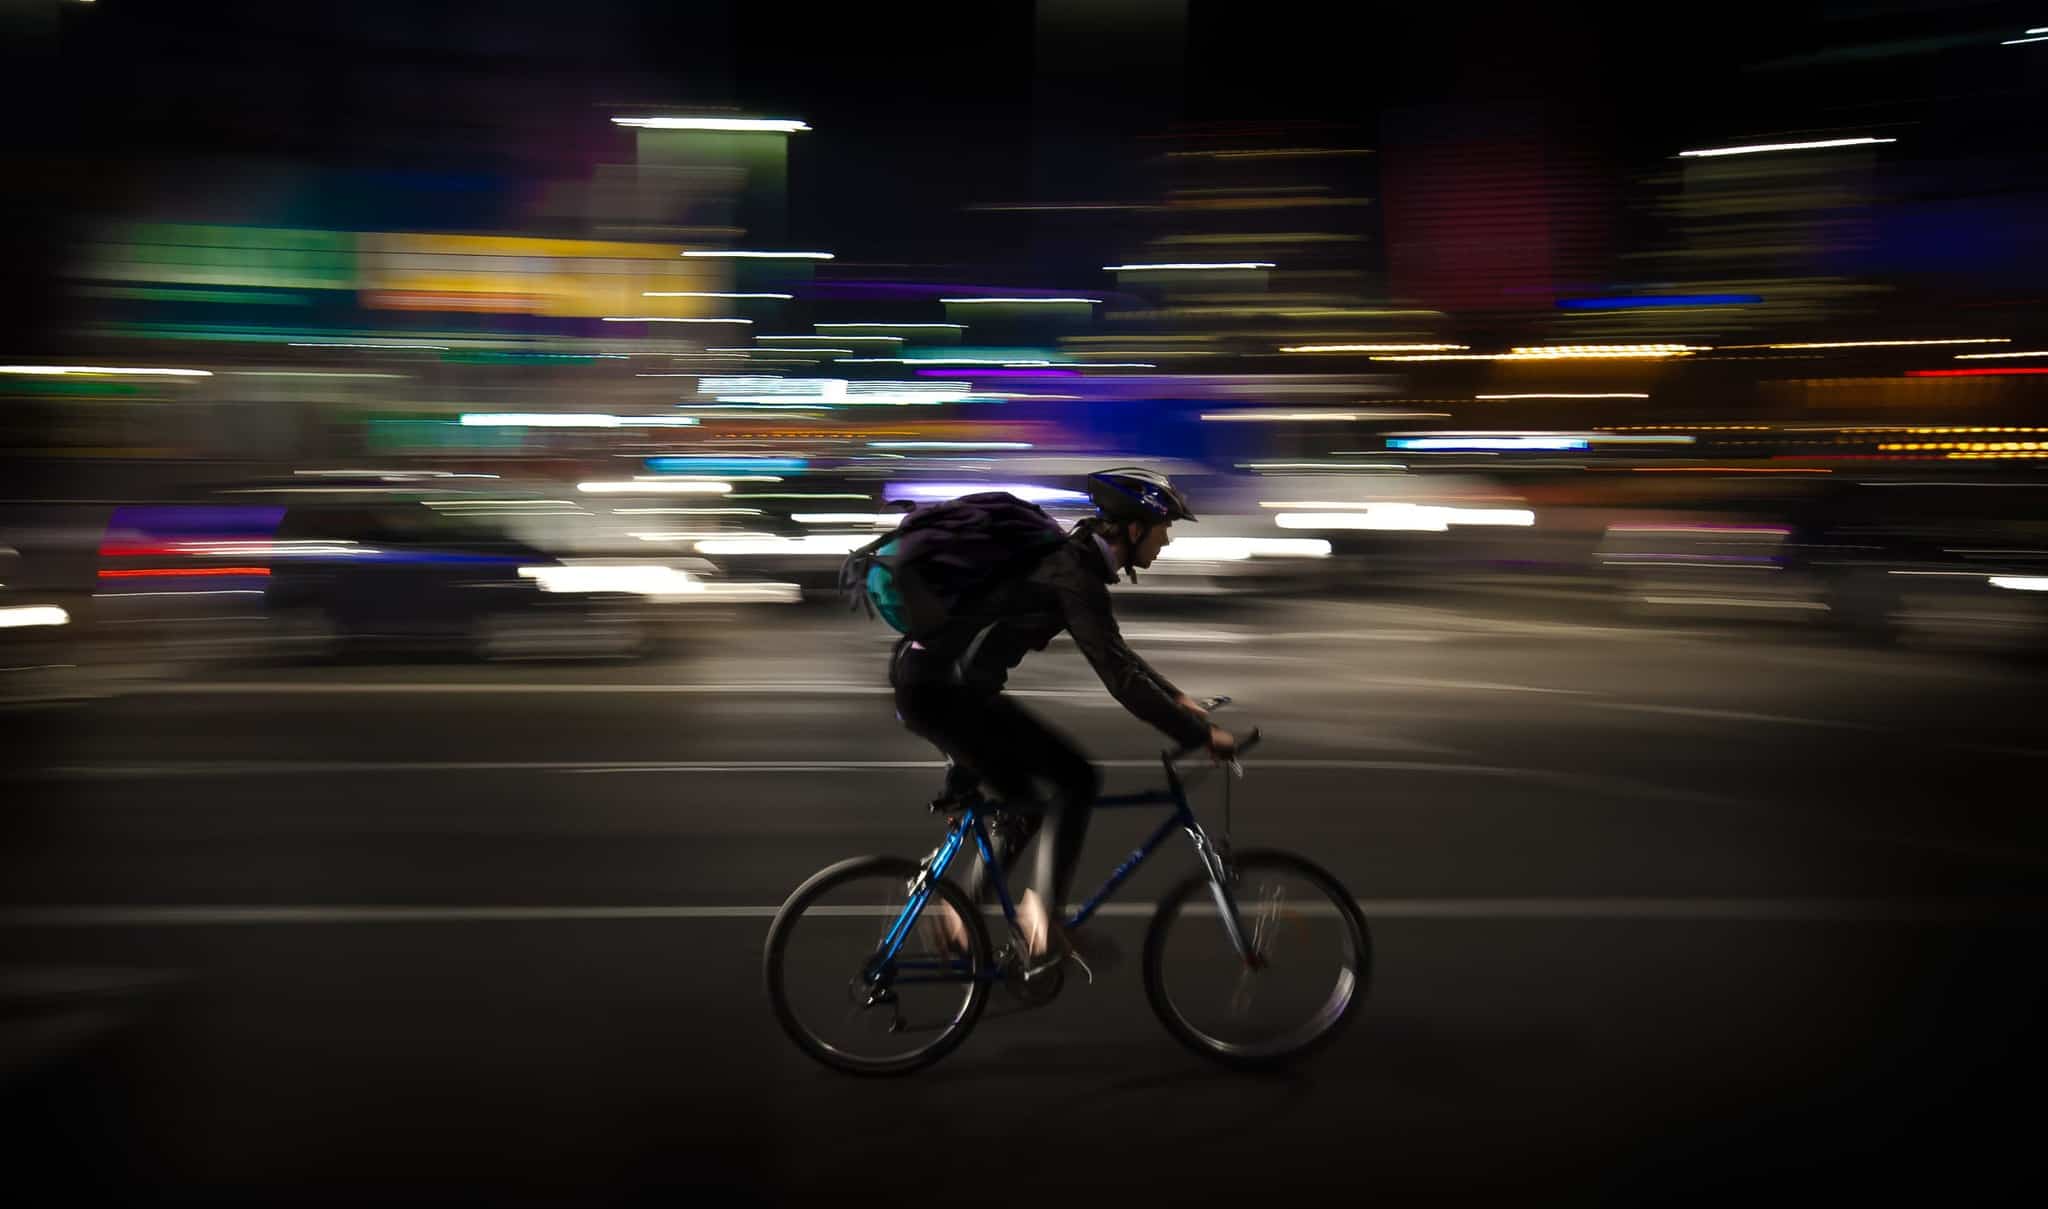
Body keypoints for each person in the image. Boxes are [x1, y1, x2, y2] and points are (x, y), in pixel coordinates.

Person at [890, 467, 1237, 973]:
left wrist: (1178, 698)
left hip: (943, 687)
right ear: (1133, 528)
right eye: (1164, 529)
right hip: (943, 695)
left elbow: (1115, 652)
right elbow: (1117, 677)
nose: (1166, 542)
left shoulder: (1071, 564)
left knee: (1025, 802)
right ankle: (1040, 921)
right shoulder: (1072, 574)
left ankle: (961, 913)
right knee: (1076, 777)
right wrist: (1200, 734)